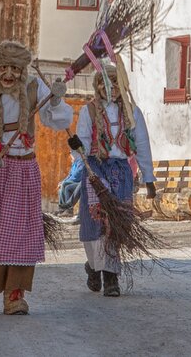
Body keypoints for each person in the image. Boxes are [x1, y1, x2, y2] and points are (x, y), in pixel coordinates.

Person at [0, 40, 73, 315]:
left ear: (23, 70)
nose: (9, 74)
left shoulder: (36, 88)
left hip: (24, 170)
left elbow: (57, 120)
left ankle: (14, 295)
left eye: (15, 69)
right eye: (3, 68)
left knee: (20, 233)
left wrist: (56, 100)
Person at [68, 60, 157, 297]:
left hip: (121, 172)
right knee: (95, 223)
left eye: (116, 83)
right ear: (97, 86)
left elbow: (142, 145)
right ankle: (93, 266)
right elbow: (82, 145)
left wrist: (149, 178)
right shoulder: (88, 111)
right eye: (105, 84)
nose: (111, 88)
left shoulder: (132, 112)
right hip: (95, 171)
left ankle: (111, 277)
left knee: (116, 224)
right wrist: (77, 147)